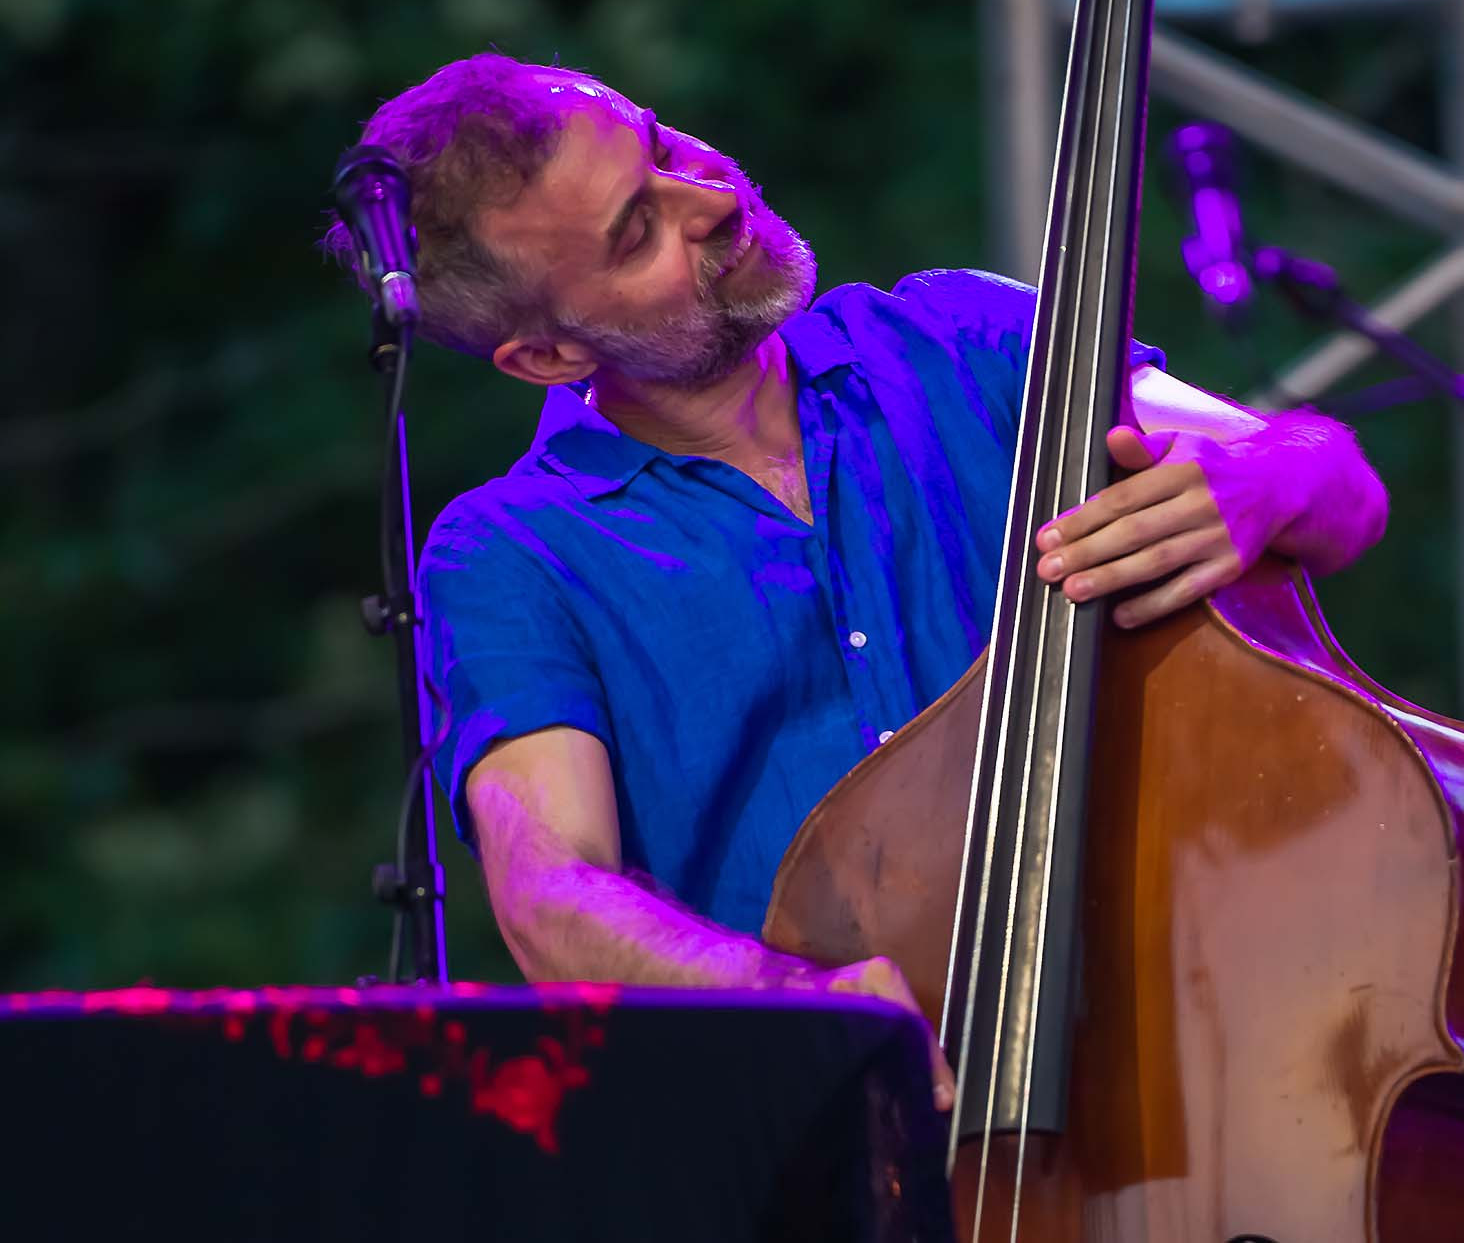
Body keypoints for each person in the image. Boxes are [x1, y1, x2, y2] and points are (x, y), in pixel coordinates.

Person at [325, 54, 1389, 1109]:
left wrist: (1269, 477)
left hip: (1190, 1055)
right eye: (637, 231)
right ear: (549, 357)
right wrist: (797, 1003)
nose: (709, 198)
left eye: (662, 145)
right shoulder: (510, 552)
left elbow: (1339, 489)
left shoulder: (964, 338)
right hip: (835, 1142)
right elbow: (552, 896)